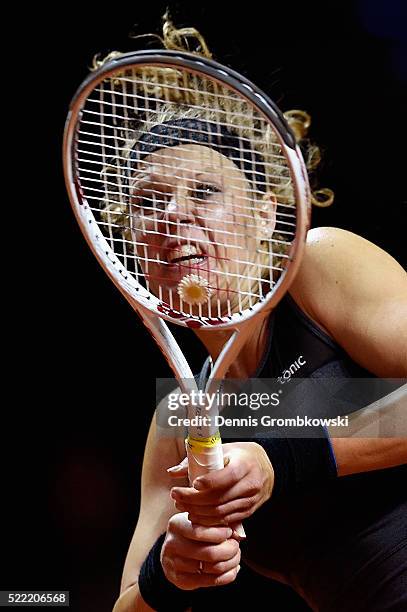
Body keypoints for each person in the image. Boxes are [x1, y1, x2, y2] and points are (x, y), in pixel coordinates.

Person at [112, 17, 407, 612]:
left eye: (203, 192)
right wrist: (167, 574)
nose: (173, 217)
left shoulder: (321, 270)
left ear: (269, 215)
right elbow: (124, 604)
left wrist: (290, 458)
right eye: (149, 201)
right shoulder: (180, 422)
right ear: (132, 249)